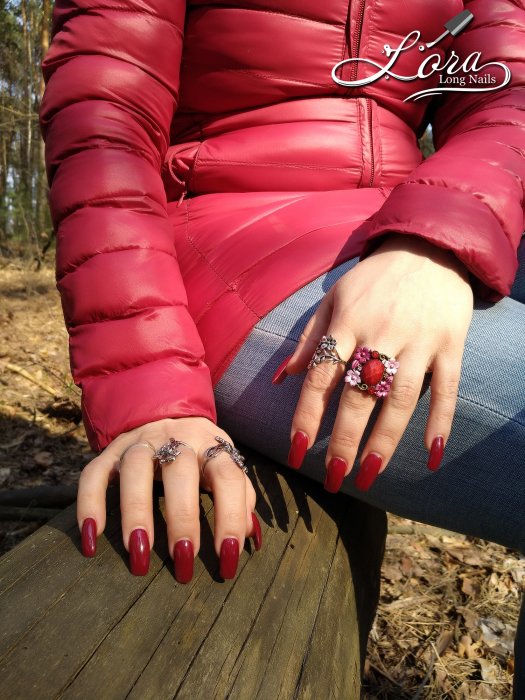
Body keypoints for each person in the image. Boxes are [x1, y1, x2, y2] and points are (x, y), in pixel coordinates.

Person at [38, 0, 524, 694]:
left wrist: (432, 240)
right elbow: (102, 127)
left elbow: (505, 98)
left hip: (429, 211)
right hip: (236, 237)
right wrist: (153, 397)